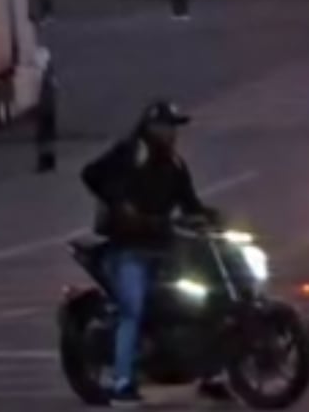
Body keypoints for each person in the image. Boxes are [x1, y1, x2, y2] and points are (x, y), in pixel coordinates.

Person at [81, 100, 230, 407]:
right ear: (151, 127)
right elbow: (90, 174)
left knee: (208, 297)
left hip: (165, 246)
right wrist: (119, 204)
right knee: (133, 310)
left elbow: (190, 202)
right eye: (167, 126)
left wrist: (208, 216)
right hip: (128, 248)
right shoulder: (131, 153)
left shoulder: (174, 163)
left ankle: (211, 373)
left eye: (175, 127)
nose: (173, 133)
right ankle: (121, 383)